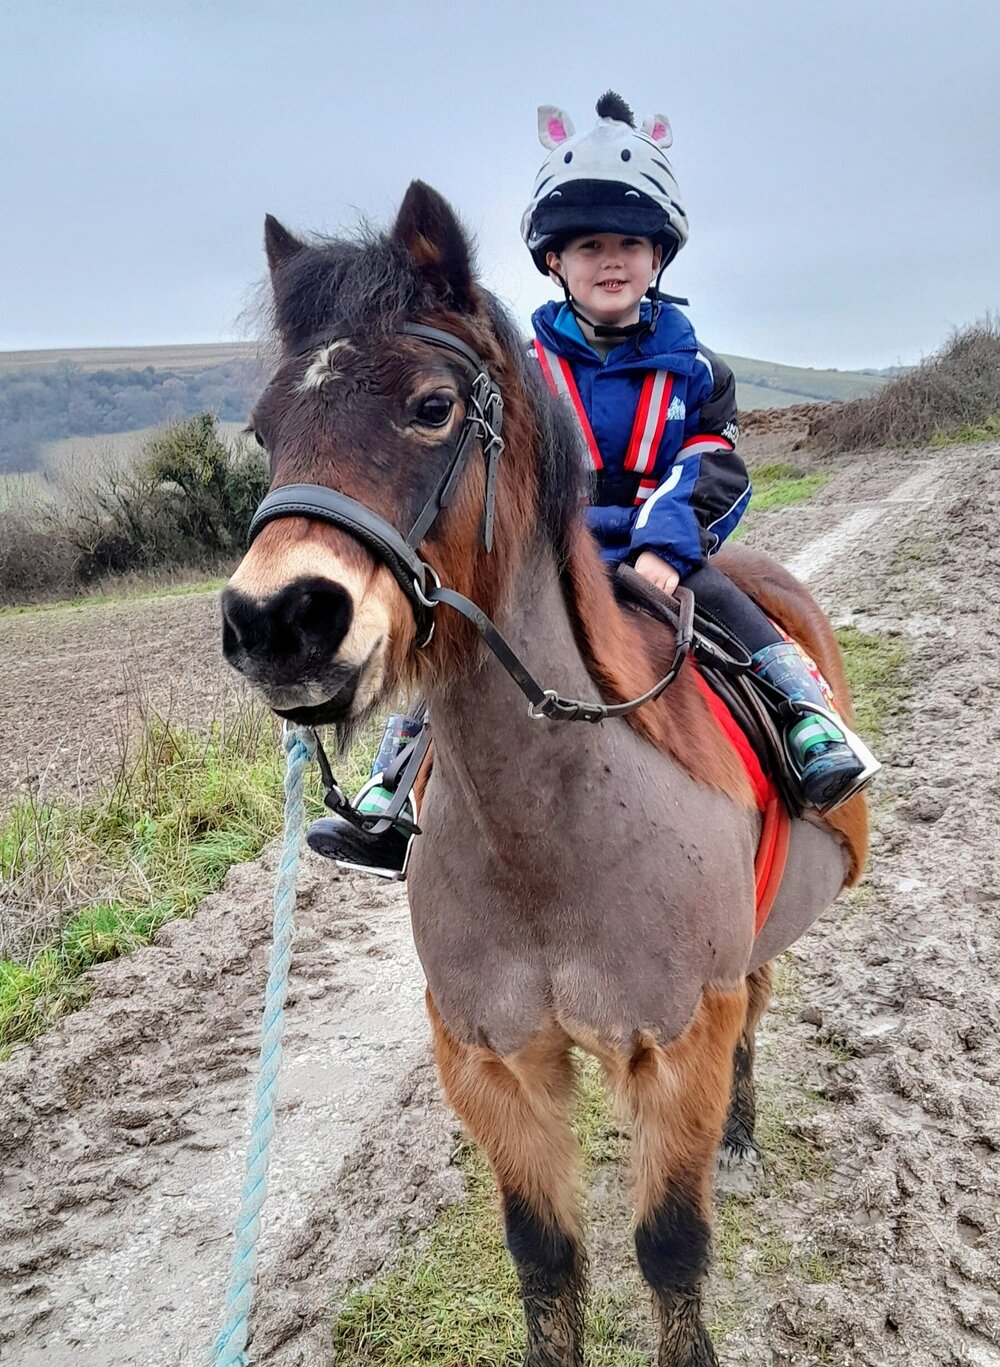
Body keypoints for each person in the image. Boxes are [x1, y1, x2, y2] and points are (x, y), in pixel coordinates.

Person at [308, 92, 877, 878]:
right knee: (465, 653)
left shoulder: (699, 369)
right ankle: (393, 790)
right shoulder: (521, 370)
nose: (611, 261)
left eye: (630, 244)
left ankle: (807, 721)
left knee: (743, 618)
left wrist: (664, 549)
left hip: (658, 555)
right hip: (550, 562)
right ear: (554, 262)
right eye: (588, 246)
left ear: (658, 257)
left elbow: (710, 461)